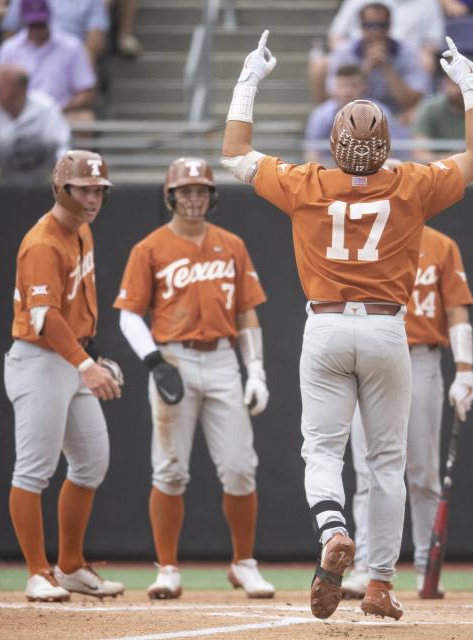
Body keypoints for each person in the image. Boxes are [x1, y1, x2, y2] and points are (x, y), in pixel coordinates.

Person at [220, 31, 473, 621]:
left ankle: (332, 529)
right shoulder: (413, 185)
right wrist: (469, 84)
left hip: (325, 327)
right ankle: (379, 583)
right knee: (387, 463)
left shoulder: (305, 183)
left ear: (335, 142)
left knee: (322, 449)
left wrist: (249, 80)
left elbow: (235, 152)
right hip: (389, 331)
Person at [114, 157, 275, 600]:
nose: (193, 197)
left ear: (211, 195)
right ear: (170, 196)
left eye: (201, 190)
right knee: (169, 470)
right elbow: (129, 315)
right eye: (185, 191)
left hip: (223, 357)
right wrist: (154, 362)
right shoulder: (149, 247)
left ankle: (244, 563)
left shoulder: (232, 244)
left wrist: (256, 369)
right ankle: (167, 567)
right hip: (173, 357)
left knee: (241, 467)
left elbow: (247, 313)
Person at [4, 149, 124, 603]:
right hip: (39, 358)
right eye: (83, 188)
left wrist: (84, 359)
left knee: (92, 460)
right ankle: (38, 571)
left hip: (70, 357)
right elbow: (43, 317)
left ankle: (70, 565)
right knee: (33, 469)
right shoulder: (43, 242)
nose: (92, 197)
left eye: (98, 189)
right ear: (62, 188)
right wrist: (86, 364)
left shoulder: (81, 231)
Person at [341, 225, 473, 599]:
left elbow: (457, 311)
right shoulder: (368, 236)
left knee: (421, 471)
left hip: (421, 358)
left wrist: (465, 369)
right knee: (367, 468)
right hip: (373, 357)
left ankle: (425, 567)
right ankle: (365, 565)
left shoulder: (441, 244)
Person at [0, 0, 97, 125]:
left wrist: (57, 110)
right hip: (17, 115)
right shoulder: (8, 49)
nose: (37, 29)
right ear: (22, 21)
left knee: (85, 119)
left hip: (61, 113)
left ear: (49, 18)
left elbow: (86, 92)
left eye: (41, 23)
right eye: (33, 24)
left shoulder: (72, 46)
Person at [0, 64, 71, 181]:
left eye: (3, 86)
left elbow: (63, 152)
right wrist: (9, 174)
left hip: (43, 183)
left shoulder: (47, 107)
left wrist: (36, 173)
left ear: (22, 89)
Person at [323, 1, 430, 116]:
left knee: (413, 114)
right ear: (361, 26)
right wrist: (366, 69)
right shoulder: (344, 51)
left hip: (396, 115)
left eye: (381, 25)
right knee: (323, 114)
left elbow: (412, 100)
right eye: (370, 25)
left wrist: (387, 68)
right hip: (351, 110)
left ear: (389, 26)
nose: (376, 31)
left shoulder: (407, 52)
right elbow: (334, 93)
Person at [304, 64, 400, 163]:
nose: (347, 92)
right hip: (331, 169)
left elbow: (390, 151)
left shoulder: (380, 112)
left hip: (372, 169)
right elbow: (312, 152)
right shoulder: (321, 114)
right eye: (341, 86)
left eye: (353, 86)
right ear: (333, 87)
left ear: (364, 87)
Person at [1, 0, 109, 62]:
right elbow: (10, 30)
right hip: (29, 51)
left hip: (71, 56)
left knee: (87, 56)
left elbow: (96, 41)